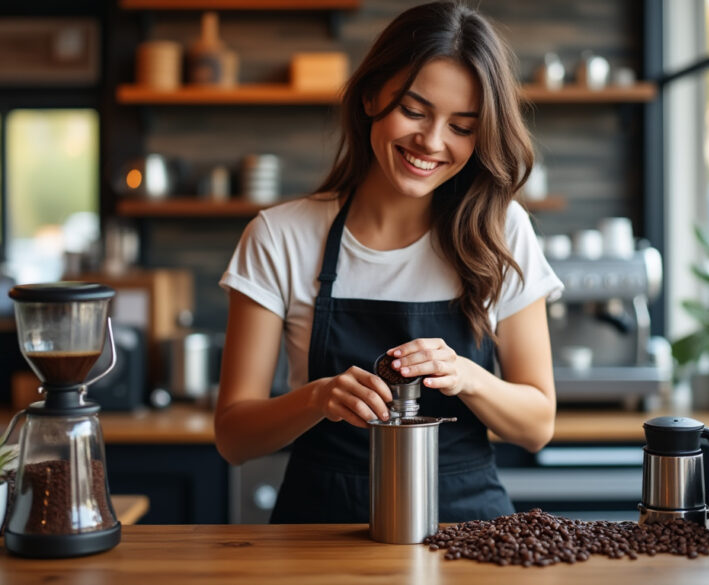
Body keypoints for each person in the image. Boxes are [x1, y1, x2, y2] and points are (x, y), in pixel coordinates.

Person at [215, 0, 562, 524]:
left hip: (469, 529)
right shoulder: (280, 236)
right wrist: (316, 399)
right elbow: (234, 438)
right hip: (320, 531)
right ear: (372, 94)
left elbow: (537, 424)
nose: (431, 141)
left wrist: (466, 376)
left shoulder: (501, 230)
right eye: (415, 110)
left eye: (462, 126)